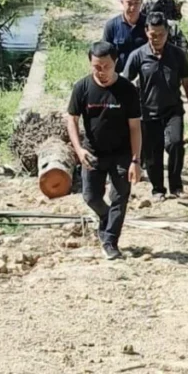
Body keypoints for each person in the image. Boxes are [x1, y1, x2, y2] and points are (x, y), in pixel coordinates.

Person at [66, 41, 143, 261]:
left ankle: (110, 240)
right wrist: (78, 149)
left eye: (106, 66)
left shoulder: (127, 90)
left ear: (115, 63)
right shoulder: (82, 87)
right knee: (90, 196)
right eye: (96, 67)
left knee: (120, 197)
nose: (101, 72)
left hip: (122, 154)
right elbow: (71, 119)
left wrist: (135, 160)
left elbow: (135, 127)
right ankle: (106, 217)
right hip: (92, 153)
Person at [123, 12, 188, 200]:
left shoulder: (177, 54)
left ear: (167, 33)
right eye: (152, 35)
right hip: (148, 112)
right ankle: (158, 189)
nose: (157, 39)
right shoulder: (138, 56)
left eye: (161, 35)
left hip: (173, 110)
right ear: (146, 32)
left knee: (175, 144)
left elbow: (187, 82)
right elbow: (124, 83)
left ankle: (176, 185)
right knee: (153, 152)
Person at [102, 0, 147, 74]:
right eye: (129, 3)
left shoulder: (148, 25)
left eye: (136, 3)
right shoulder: (111, 26)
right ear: (122, 2)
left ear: (141, 2)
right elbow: (104, 55)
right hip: (120, 76)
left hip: (144, 76)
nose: (133, 8)